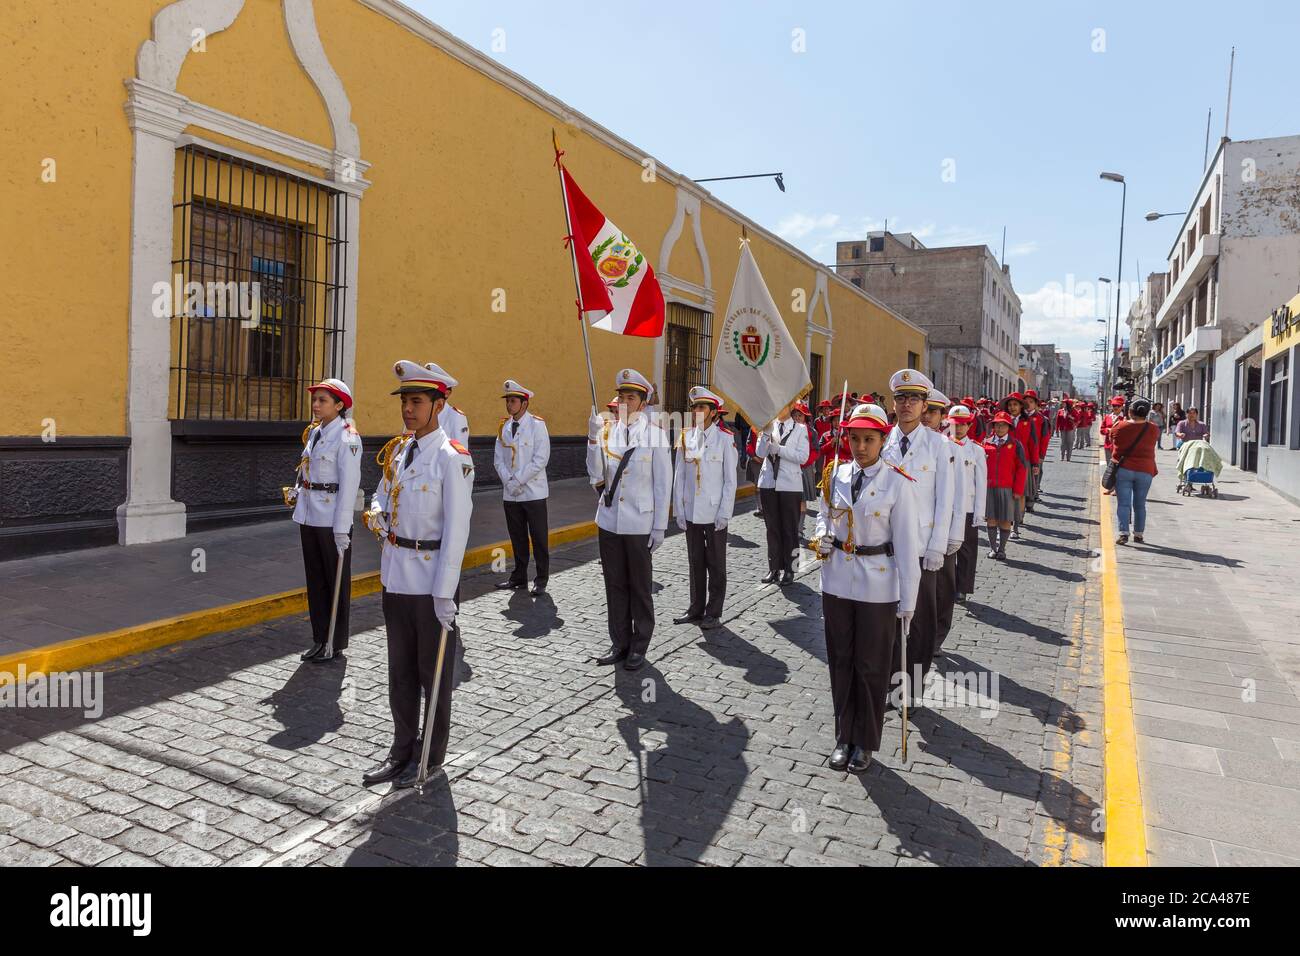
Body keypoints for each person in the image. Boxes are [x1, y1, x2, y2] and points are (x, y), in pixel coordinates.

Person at [361, 360, 474, 788]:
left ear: (439, 405)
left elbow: (458, 529)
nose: (408, 410)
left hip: (430, 579)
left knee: (434, 673)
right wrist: (375, 509)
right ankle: (401, 749)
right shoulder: (400, 450)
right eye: (405, 402)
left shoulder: (452, 458)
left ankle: (430, 754)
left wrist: (446, 593)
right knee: (400, 671)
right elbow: (383, 489)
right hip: (396, 573)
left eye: (417, 402)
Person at [812, 403, 920, 774]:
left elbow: (907, 544)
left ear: (882, 440)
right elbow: (824, 516)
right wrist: (822, 537)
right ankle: (844, 735)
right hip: (838, 579)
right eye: (855, 438)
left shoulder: (897, 481)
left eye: (869, 440)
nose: (861, 447)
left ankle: (866, 741)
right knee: (841, 660)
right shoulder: (836, 474)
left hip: (879, 584)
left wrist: (909, 599)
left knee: (871, 665)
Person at [586, 368, 672, 670]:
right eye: (621, 396)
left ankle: (639, 644)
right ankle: (619, 642)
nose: (624, 401)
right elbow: (595, 474)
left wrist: (660, 525)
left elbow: (663, 485)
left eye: (630, 396)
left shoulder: (656, 435)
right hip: (609, 520)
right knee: (615, 585)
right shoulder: (607, 431)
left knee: (639, 586)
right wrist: (592, 438)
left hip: (638, 522)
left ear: (643, 402)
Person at [882, 369, 954, 707]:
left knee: (920, 624)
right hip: (886, 548)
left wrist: (939, 546)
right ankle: (888, 684)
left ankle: (912, 687)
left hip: (924, 548)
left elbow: (945, 501)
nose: (906, 404)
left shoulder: (939, 445)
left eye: (914, 398)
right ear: (893, 403)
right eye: (901, 398)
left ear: (925, 405)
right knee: (887, 620)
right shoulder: (882, 441)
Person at [290, 378, 362, 663]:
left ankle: (335, 641)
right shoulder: (315, 432)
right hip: (309, 513)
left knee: (335, 583)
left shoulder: (348, 437)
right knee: (316, 580)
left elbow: (349, 484)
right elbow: (306, 466)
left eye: (322, 400)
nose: (316, 404)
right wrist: (298, 489)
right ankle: (319, 638)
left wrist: (342, 528)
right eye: (315, 399)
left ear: (339, 405)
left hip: (331, 518)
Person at [672, 386, 738, 630]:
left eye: (702, 407)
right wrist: (679, 509)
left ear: (713, 413)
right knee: (695, 562)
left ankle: (714, 611)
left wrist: (724, 513)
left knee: (716, 564)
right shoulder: (685, 437)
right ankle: (695, 608)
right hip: (691, 512)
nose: (696, 411)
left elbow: (730, 481)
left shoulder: (724, 439)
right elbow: (679, 477)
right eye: (694, 407)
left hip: (713, 512)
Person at [493, 379, 551, 596]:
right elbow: (498, 460)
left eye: (513, 401)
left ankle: (541, 578)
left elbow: (540, 459)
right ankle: (518, 577)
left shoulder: (537, 425)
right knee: (517, 537)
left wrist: (518, 481)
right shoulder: (504, 427)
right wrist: (509, 481)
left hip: (533, 492)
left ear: (524, 403)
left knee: (538, 537)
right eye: (507, 401)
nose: (509, 405)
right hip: (511, 494)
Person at [923, 388, 965, 650]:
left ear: (942, 417)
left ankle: (937, 635)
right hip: (914, 527)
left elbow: (959, 497)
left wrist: (955, 533)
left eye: (933, 412)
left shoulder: (952, 449)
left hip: (943, 528)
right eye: (925, 410)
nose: (927, 417)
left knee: (942, 586)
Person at [755, 401, 811, 586]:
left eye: (781, 404)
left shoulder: (800, 429)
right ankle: (774, 568)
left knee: (789, 529)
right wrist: (765, 434)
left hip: (789, 484)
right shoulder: (768, 426)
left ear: (789, 406)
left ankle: (790, 569)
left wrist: (780, 450)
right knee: (772, 528)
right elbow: (760, 452)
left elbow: (802, 457)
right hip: (769, 482)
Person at [945, 404, 986, 606]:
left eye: (963, 425)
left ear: (969, 425)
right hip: (947, 506)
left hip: (968, 507)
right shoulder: (942, 446)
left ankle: (963, 587)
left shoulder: (976, 450)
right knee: (946, 548)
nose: (958, 429)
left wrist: (980, 511)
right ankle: (947, 585)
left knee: (967, 550)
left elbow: (981, 483)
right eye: (955, 424)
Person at [1110, 398, 1160, 545]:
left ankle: (1123, 533)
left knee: (1123, 503)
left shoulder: (1120, 426)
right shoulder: (1153, 428)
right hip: (1145, 470)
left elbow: (1112, 440)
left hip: (1124, 468)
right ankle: (1138, 534)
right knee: (1140, 503)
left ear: (1130, 412)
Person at [982, 411, 1027, 561]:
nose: (1000, 428)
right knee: (991, 519)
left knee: (1005, 520)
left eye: (1003, 425)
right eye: (997, 425)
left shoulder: (1015, 445)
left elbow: (1022, 468)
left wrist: (1018, 490)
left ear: (1009, 427)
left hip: (1007, 489)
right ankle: (993, 549)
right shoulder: (986, 443)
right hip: (989, 488)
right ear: (993, 426)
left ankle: (1002, 549)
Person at [1001, 392, 1038, 539]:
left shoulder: (1028, 422)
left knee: (1020, 494)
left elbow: (1033, 443)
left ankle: (1017, 523)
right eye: (1010, 405)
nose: (1012, 407)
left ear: (1021, 406)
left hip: (1024, 462)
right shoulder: (1002, 420)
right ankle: (1006, 524)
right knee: (1007, 494)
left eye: (1015, 404)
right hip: (1006, 461)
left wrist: (1035, 463)